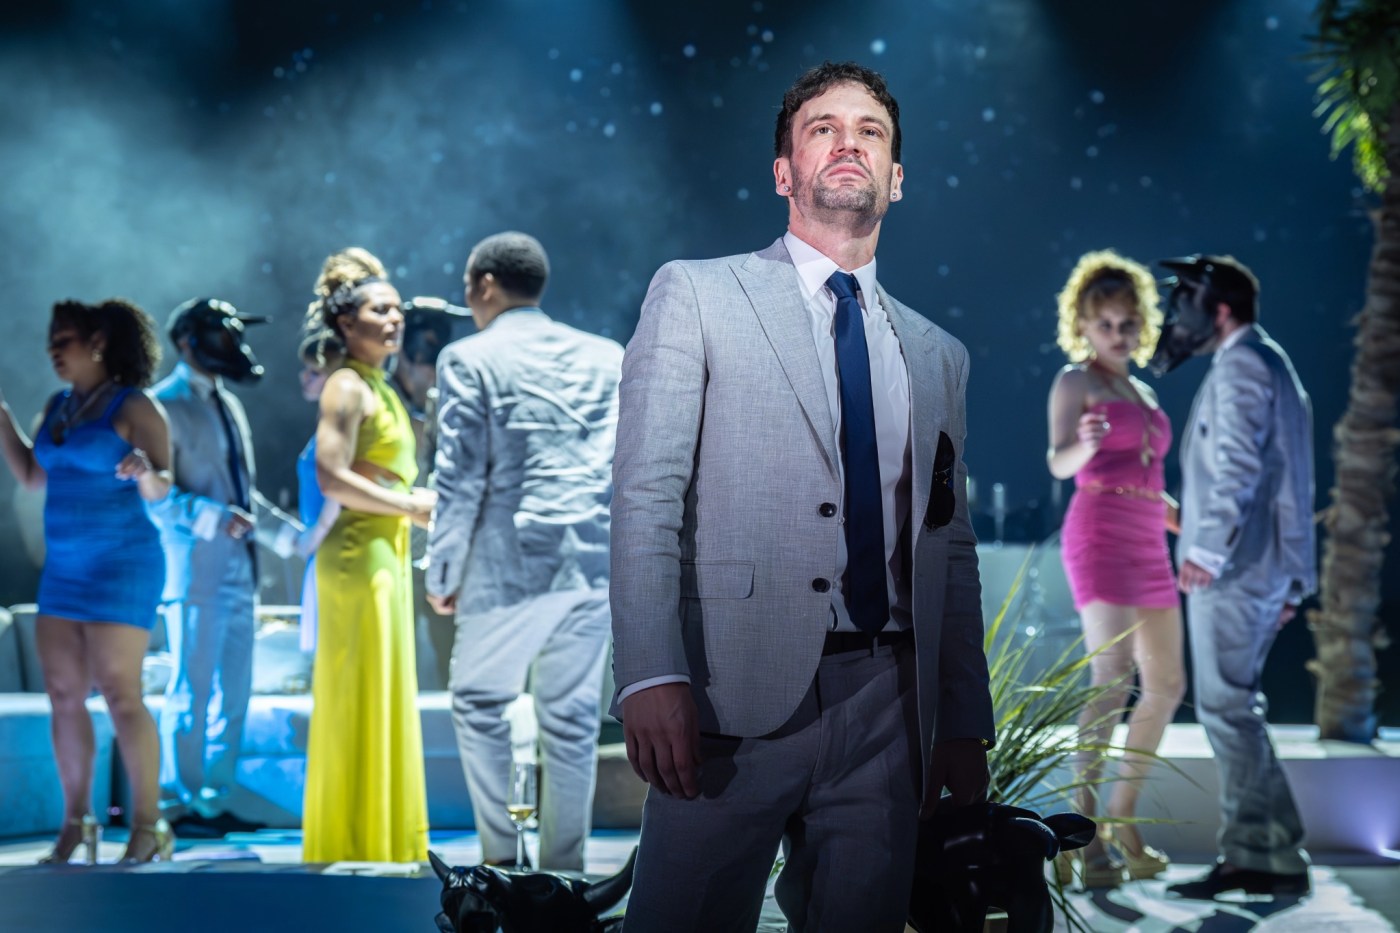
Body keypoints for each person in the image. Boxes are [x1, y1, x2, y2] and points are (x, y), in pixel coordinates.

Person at [611, 62, 995, 932]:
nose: (848, 141)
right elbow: (645, 494)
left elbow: (950, 545)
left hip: (889, 707)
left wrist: (964, 717)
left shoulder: (940, 354)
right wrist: (650, 670)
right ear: (785, 172)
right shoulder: (698, 294)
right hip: (722, 696)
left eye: (870, 131)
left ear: (895, 178)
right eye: (823, 127)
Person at [425, 231, 622, 871]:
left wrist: (442, 569)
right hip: (594, 563)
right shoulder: (606, 356)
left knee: (480, 703)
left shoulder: (469, 358)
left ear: (484, 284)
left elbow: (459, 476)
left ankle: (500, 868)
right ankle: (562, 877)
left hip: (512, 562)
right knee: (570, 725)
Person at [1151, 255, 1316, 899]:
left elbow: (1239, 468)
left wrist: (1207, 551)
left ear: (1218, 307)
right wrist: (1294, 580)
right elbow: (1285, 476)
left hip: (1238, 569)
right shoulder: (1267, 361)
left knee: (1226, 707)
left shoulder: (1245, 364)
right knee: (1236, 705)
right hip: (1262, 566)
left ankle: (1259, 853)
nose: (1175, 314)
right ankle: (1273, 848)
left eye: (1186, 298)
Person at [0, 299, 175, 862]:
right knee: (63, 695)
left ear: (98, 341)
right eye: (51, 339)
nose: (54, 350)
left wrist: (145, 470)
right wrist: (3, 418)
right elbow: (32, 477)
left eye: (65, 339)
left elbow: (165, 486)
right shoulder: (57, 406)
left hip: (123, 565)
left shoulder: (134, 405)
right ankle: (76, 822)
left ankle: (149, 828)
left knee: (122, 693)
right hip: (65, 572)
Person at [1045, 250, 1186, 887]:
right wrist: (1087, 443)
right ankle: (1085, 831)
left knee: (1167, 687)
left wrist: (1185, 517)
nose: (1118, 334)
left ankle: (1122, 820)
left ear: (1142, 323)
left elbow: (1151, 476)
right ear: (1084, 325)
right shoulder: (1077, 381)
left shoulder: (1144, 390)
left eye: (1128, 323)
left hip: (1150, 537)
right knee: (1111, 680)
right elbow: (1057, 463)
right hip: (1098, 531)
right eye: (1105, 324)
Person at [300, 247, 436, 863]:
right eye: (379, 310)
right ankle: (354, 839)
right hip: (358, 556)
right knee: (359, 691)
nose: (394, 319)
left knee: (381, 691)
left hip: (383, 551)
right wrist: (411, 506)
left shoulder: (377, 383)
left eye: (397, 310)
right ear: (346, 324)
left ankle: (377, 840)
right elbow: (329, 476)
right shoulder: (347, 385)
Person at [150, 297, 278, 826]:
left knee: (236, 690)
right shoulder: (161, 404)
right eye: (221, 335)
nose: (233, 346)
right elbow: (153, 496)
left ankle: (216, 796)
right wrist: (209, 514)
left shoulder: (230, 405)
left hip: (240, 571)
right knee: (191, 687)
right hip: (195, 568)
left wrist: (289, 536)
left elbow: (244, 493)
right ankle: (178, 801)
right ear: (187, 341)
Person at [292, 332, 344, 654]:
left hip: (332, 546)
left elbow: (342, 481)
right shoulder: (326, 422)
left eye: (314, 372)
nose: (304, 377)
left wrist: (319, 531)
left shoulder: (337, 424)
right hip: (321, 550)